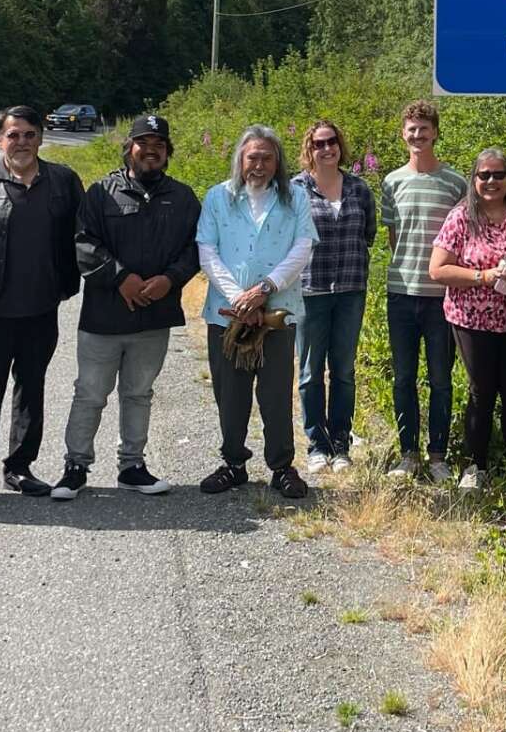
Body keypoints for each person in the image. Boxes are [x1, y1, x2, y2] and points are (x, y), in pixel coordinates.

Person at [52, 114, 201, 501]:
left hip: (155, 315)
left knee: (138, 393)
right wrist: (121, 278)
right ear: (129, 149)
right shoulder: (101, 192)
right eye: (143, 143)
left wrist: (170, 279)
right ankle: (75, 467)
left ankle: (132, 466)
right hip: (104, 316)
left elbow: (196, 248)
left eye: (159, 145)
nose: (151, 150)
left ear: (168, 153)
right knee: (90, 393)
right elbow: (83, 243)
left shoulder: (183, 198)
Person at [0, 105, 83, 508]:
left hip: (41, 308)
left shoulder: (63, 182)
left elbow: (89, 234)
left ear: (41, 138)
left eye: (29, 134)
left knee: (32, 390)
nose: (21, 142)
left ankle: (19, 467)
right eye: (13, 135)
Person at [195, 125, 315, 499]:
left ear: (277, 161)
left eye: (267, 157)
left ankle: (281, 467)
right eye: (252, 157)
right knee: (230, 393)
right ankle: (233, 462)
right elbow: (207, 252)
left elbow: (303, 247)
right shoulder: (218, 198)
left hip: (277, 312)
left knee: (276, 393)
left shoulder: (295, 198)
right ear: (240, 160)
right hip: (226, 314)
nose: (259, 165)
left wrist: (265, 289)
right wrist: (239, 299)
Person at [429, 148, 506, 489]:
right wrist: (483, 277)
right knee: (482, 391)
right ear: (474, 180)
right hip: (471, 320)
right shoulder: (461, 217)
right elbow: (437, 269)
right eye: (484, 175)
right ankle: (475, 465)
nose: (491, 181)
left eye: (499, 175)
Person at [379, 100, 466, 482]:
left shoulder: (456, 182)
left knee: (441, 380)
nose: (418, 135)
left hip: (442, 296)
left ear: (435, 132)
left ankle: (438, 456)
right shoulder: (391, 182)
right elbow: (394, 238)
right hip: (401, 293)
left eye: (424, 128)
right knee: (402, 378)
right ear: (403, 134)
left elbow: (463, 238)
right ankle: (408, 455)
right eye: (411, 129)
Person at [290, 118, 376, 474]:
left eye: (332, 142)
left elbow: (368, 234)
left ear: (340, 146)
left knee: (343, 370)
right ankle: (316, 444)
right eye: (319, 143)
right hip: (310, 291)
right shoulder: (295, 189)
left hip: (350, 290)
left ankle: (341, 443)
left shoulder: (359, 188)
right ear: (309, 149)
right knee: (310, 371)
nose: (327, 149)